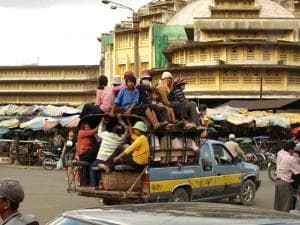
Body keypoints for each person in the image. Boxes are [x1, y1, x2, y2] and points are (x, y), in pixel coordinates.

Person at [89, 116, 127, 189]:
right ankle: (101, 183)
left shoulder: (105, 134)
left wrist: (101, 122)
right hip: (110, 159)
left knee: (92, 167)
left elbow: (99, 132)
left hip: (101, 158)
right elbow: (126, 131)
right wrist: (121, 120)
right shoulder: (120, 138)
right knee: (99, 167)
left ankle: (93, 185)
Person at [274, 141, 300, 212]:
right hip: (284, 183)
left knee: (278, 207)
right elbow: (298, 172)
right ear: (290, 149)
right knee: (286, 207)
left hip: (278, 182)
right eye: (293, 149)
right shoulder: (290, 158)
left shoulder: (281, 154)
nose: (294, 151)